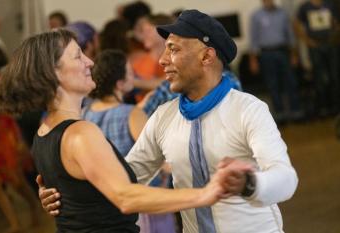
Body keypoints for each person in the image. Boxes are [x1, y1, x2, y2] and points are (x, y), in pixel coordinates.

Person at [38, 10, 298, 233]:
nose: (162, 60)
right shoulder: (165, 116)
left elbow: (286, 179)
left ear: (207, 57)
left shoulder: (247, 110)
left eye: (173, 49)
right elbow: (128, 177)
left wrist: (249, 183)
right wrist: (69, 193)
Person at [0, 29, 252, 233]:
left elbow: (83, 194)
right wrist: (206, 194)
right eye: (78, 56)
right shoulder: (80, 134)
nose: (90, 61)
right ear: (52, 73)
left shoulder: (44, 132)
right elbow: (125, 197)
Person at [0, 43, 40, 233]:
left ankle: (34, 208)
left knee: (16, 180)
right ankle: (14, 223)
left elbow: (0, 108)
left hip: (3, 136)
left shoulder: (0, 80)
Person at [83, 49, 147, 156]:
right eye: (131, 73)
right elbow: (153, 156)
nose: (134, 77)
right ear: (120, 84)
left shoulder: (84, 113)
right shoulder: (132, 113)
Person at [249, 0, 303, 124]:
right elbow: (254, 39)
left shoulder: (283, 14)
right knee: (273, 84)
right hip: (266, 54)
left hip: (283, 52)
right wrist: (253, 60)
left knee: (290, 81)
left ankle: (296, 112)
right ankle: (279, 114)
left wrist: (294, 54)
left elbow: (290, 35)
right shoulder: (256, 16)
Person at [294, 0, 340, 115]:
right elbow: (296, 24)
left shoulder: (329, 4)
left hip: (330, 44)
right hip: (315, 46)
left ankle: (335, 106)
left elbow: (336, 22)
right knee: (318, 77)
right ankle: (322, 107)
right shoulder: (305, 7)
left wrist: (335, 35)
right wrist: (307, 40)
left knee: (335, 76)